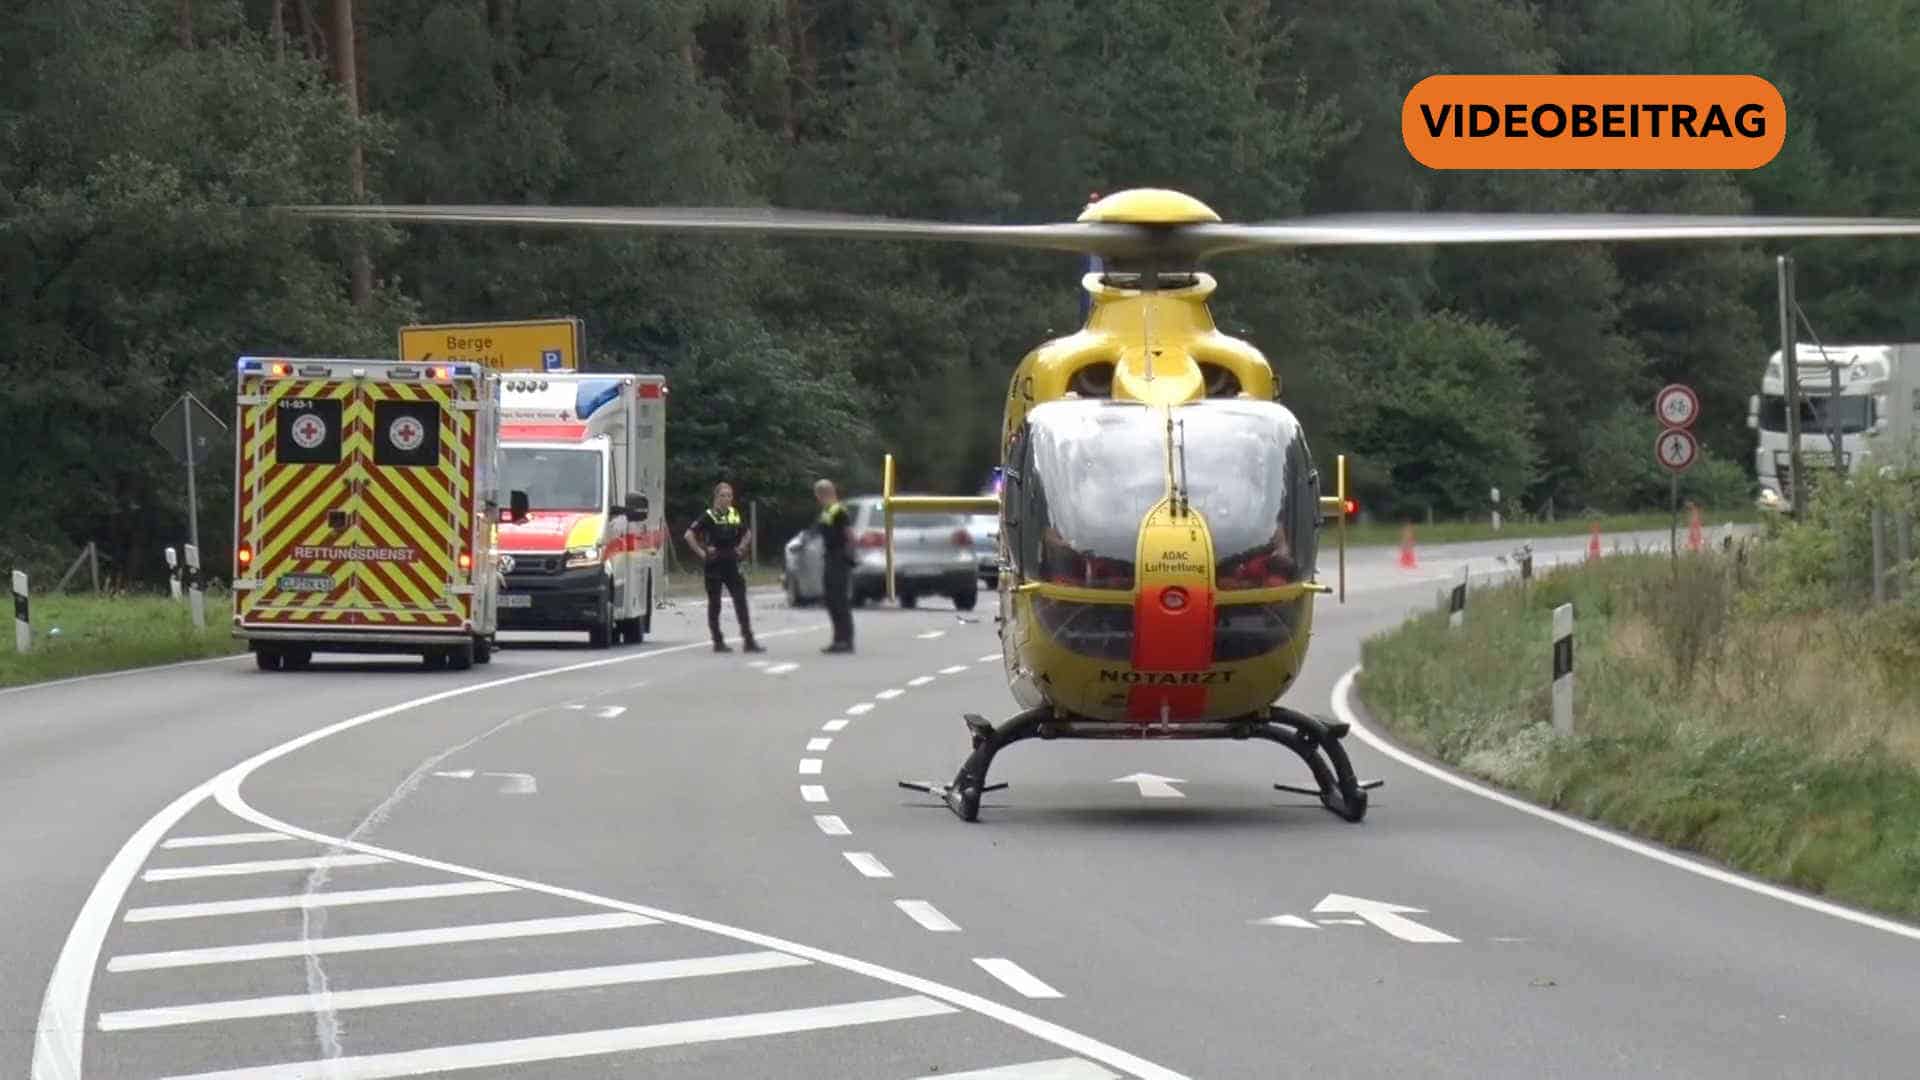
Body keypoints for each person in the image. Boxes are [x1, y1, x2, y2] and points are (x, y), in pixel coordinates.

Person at [684, 481, 762, 653]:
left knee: (740, 599)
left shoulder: (734, 514)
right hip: (715, 562)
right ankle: (717, 641)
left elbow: (747, 532)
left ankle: (748, 640)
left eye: (729, 495)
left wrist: (742, 546)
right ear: (716, 497)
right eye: (723, 495)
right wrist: (701, 552)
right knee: (715, 603)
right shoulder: (709, 515)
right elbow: (689, 535)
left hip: (732, 561)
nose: (726, 499)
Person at [814, 478, 855, 653]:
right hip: (830, 556)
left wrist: (848, 555)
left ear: (823, 494)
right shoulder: (827, 511)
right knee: (831, 599)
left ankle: (846, 640)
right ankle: (838, 638)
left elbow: (849, 534)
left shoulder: (839, 511)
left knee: (839, 600)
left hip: (839, 557)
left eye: (818, 495)